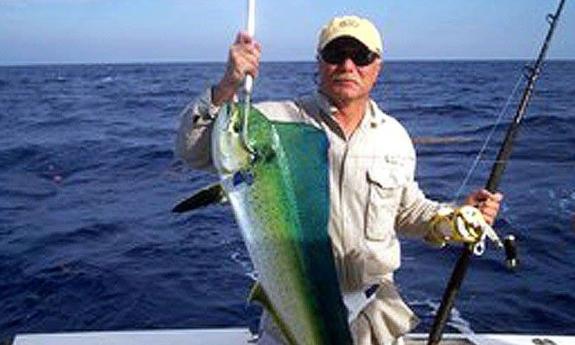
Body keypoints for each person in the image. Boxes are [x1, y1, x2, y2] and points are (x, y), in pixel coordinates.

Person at [176, 15, 503, 345]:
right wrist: (226, 87)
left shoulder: (393, 136)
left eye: (361, 56)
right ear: (319, 63)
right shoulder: (273, 123)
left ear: (377, 67)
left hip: (373, 315)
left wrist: (453, 216)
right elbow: (194, 152)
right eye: (335, 55)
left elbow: (405, 212)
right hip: (295, 307)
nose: (348, 65)